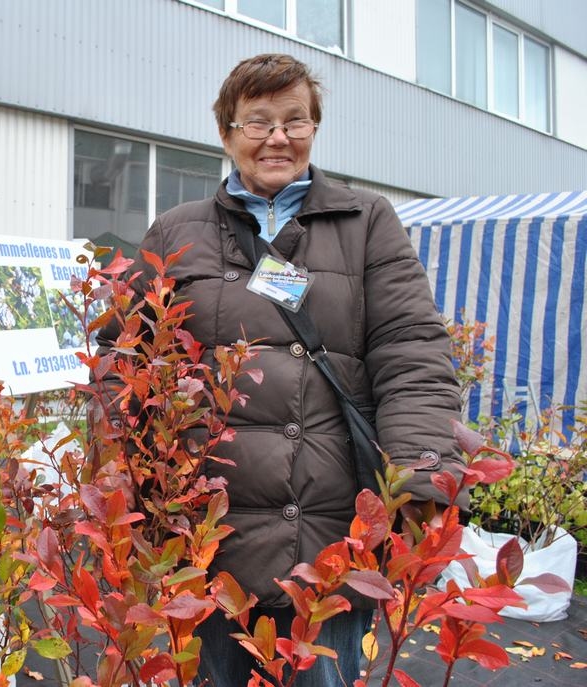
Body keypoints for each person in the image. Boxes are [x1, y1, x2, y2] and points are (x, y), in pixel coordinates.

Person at [92, 54, 464, 686]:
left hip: (329, 519)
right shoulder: (176, 231)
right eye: (258, 122)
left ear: (315, 128)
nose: (278, 138)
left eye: (295, 121)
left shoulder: (366, 221)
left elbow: (413, 352)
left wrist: (422, 480)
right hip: (207, 525)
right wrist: (118, 482)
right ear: (226, 133)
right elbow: (124, 360)